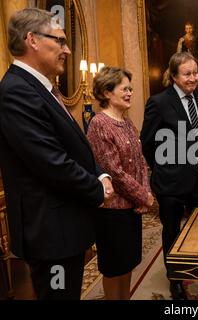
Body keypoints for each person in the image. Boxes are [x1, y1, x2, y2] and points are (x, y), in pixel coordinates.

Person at [0, 8, 114, 300]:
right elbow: (51, 162)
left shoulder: (41, 88)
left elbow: (75, 146)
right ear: (32, 39)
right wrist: (97, 188)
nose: (67, 50)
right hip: (50, 235)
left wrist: (101, 173)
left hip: (63, 229)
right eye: (59, 41)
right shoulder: (16, 92)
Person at [140, 52, 198, 300]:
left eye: (196, 73)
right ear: (174, 76)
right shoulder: (158, 102)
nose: (193, 78)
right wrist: (162, 168)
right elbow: (147, 142)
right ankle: (176, 280)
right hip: (169, 182)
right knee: (172, 231)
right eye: (187, 74)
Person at [86, 67, 154, 300]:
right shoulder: (99, 124)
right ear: (107, 92)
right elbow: (114, 171)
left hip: (131, 208)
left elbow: (141, 161)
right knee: (114, 268)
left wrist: (145, 191)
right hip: (112, 212)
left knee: (127, 264)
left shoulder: (126, 122)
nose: (129, 93)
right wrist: (143, 197)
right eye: (124, 89)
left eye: (130, 89)